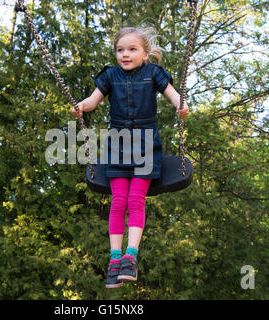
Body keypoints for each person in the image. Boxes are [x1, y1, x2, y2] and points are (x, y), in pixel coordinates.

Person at [71, 26, 189, 289]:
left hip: (146, 145)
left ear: (146, 54)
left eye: (132, 49)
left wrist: (182, 106)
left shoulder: (153, 73)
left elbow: (173, 95)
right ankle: (115, 260)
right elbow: (93, 101)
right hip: (117, 144)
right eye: (120, 50)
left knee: (136, 199)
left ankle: (130, 257)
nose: (125, 54)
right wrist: (81, 107)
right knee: (118, 201)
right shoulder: (110, 75)